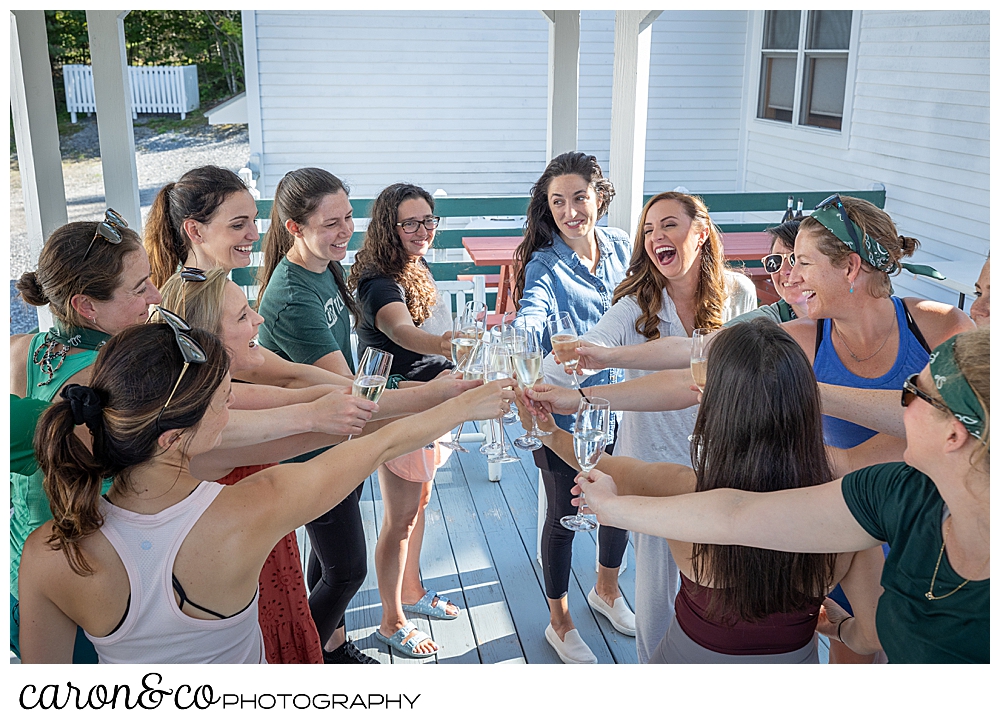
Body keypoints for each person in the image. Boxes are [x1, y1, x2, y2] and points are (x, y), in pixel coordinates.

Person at [17, 323, 512, 663]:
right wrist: (466, 405)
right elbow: (382, 442)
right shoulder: (251, 509)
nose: (233, 408)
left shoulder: (45, 554)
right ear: (173, 438)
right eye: (224, 401)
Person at [577, 326, 989, 663]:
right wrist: (842, 628)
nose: (900, 406)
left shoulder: (887, 496)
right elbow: (735, 516)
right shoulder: (892, 492)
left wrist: (612, 506)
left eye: (911, 393)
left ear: (954, 433)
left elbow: (731, 515)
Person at [522, 319, 886, 662]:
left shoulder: (683, 490)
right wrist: (836, 626)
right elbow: (870, 636)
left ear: (719, 409)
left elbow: (606, 465)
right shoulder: (849, 513)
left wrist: (549, 432)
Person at [569, 190, 756, 663]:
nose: (656, 237)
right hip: (651, 465)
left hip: (725, 460)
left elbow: (710, 358)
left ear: (702, 231)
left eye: (669, 225)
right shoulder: (636, 303)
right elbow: (597, 342)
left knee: (724, 583)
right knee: (656, 593)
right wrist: (577, 357)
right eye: (649, 230)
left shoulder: (741, 294)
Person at [10, 214, 162, 662]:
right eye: (139, 289)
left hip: (21, 573)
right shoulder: (113, 376)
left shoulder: (22, 349)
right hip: (85, 580)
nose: (154, 298)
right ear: (86, 306)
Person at [509, 151, 633, 664]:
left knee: (617, 501)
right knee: (564, 513)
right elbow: (532, 313)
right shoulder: (545, 263)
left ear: (599, 197)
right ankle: (560, 622)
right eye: (557, 202)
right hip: (561, 405)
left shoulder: (624, 245)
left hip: (619, 400)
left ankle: (606, 590)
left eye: (578, 198)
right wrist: (516, 344)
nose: (568, 211)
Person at [346, 182, 467, 658]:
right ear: (387, 227)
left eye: (428, 221)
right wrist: (447, 345)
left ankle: (412, 592)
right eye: (410, 223)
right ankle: (391, 620)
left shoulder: (412, 265)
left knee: (419, 503)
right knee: (398, 520)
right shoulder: (379, 281)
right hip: (400, 407)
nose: (422, 231)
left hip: (430, 403)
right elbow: (402, 331)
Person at [144, 165, 259, 289]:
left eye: (255, 221)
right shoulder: (213, 300)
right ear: (195, 231)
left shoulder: (188, 291)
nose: (255, 236)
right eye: (238, 225)